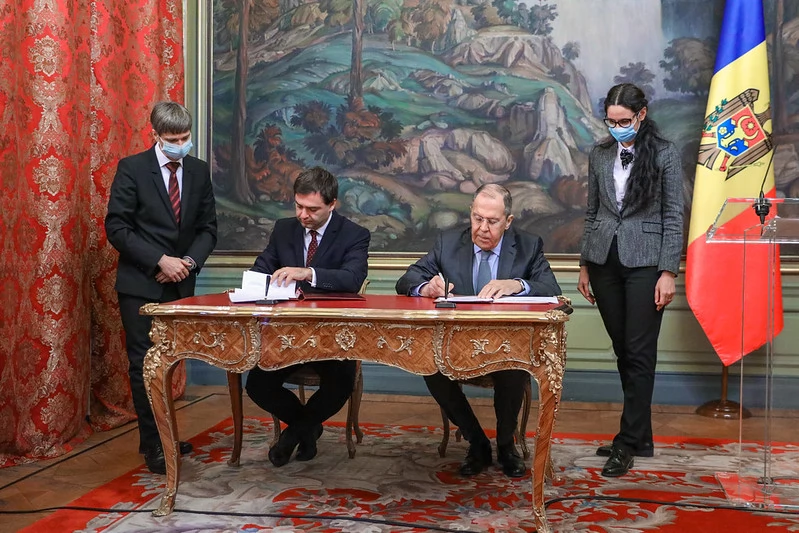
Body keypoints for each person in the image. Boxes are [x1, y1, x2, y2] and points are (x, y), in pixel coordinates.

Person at [396, 183, 561, 478]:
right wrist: (426, 287)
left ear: (508, 221)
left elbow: (551, 288)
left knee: (513, 369)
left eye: (492, 221)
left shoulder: (527, 245)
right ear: (471, 213)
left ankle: (506, 444)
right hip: (457, 344)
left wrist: (516, 285)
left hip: (506, 344)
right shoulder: (449, 242)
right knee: (430, 367)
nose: (483, 228)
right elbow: (407, 279)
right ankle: (477, 441)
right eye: (477, 218)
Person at [105, 101, 218, 474]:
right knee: (144, 366)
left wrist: (187, 263)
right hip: (141, 285)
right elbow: (117, 226)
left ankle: (165, 436)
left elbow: (208, 229)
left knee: (170, 364)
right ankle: (153, 444)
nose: (180, 144)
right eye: (173, 139)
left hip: (181, 284)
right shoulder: (133, 169)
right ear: (154, 134)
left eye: (185, 137)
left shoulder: (199, 171)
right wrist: (159, 261)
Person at [577, 83, 683, 478]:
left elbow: (673, 215)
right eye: (610, 120)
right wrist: (585, 264)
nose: (616, 127)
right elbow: (592, 212)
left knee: (639, 352)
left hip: (646, 263)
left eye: (624, 120)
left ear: (641, 114)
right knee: (624, 351)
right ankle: (642, 436)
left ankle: (626, 442)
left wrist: (668, 272)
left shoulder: (665, 153)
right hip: (604, 261)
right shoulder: (600, 153)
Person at [245, 167, 370, 467]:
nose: (303, 215)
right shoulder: (284, 229)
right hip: (284, 336)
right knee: (257, 385)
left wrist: (308, 273)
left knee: (340, 383)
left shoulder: (354, 234)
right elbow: (262, 268)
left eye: (312, 209)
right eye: (298, 206)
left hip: (332, 337)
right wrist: (251, 283)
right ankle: (307, 428)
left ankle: (292, 436)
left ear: (332, 204)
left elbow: (352, 278)